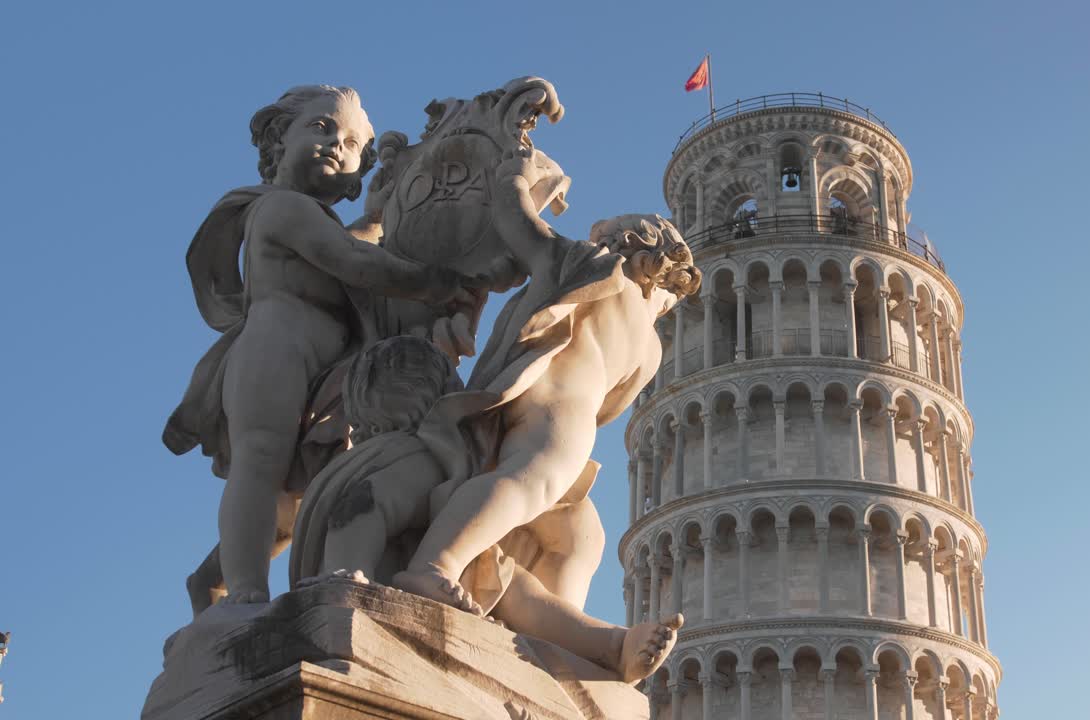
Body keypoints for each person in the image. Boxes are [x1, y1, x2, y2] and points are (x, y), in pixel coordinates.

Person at [164, 85, 464, 609]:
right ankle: (245, 591)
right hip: (275, 348)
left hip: (328, 365)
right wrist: (439, 282)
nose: (336, 145)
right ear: (279, 140)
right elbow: (356, 263)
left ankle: (210, 579)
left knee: (295, 498)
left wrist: (379, 214)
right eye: (322, 128)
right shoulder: (280, 208)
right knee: (260, 459)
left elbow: (354, 243)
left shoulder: (320, 222)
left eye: (352, 143)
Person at [290, 334, 680, 682]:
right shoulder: (412, 457)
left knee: (512, 586)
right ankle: (610, 647)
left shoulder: (430, 462)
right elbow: (360, 508)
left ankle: (612, 649)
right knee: (515, 591)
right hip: (380, 578)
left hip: (437, 574)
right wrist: (347, 577)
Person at [390, 207, 702, 619]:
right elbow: (524, 229)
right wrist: (515, 184)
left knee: (580, 535)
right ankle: (434, 565)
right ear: (647, 259)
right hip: (558, 406)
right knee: (531, 478)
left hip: (570, 414)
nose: (668, 303)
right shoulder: (598, 269)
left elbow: (611, 403)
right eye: (670, 291)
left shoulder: (649, 345)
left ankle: (550, 636)